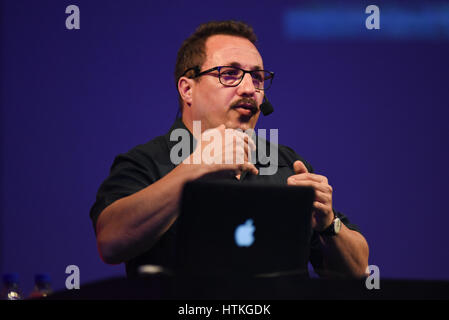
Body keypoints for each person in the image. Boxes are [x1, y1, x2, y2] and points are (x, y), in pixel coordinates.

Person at [90, 20, 369, 279]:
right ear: (187, 89)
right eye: (230, 74)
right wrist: (195, 169)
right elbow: (111, 242)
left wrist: (328, 224)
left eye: (257, 78)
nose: (249, 88)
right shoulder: (147, 161)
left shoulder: (287, 165)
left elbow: (358, 272)